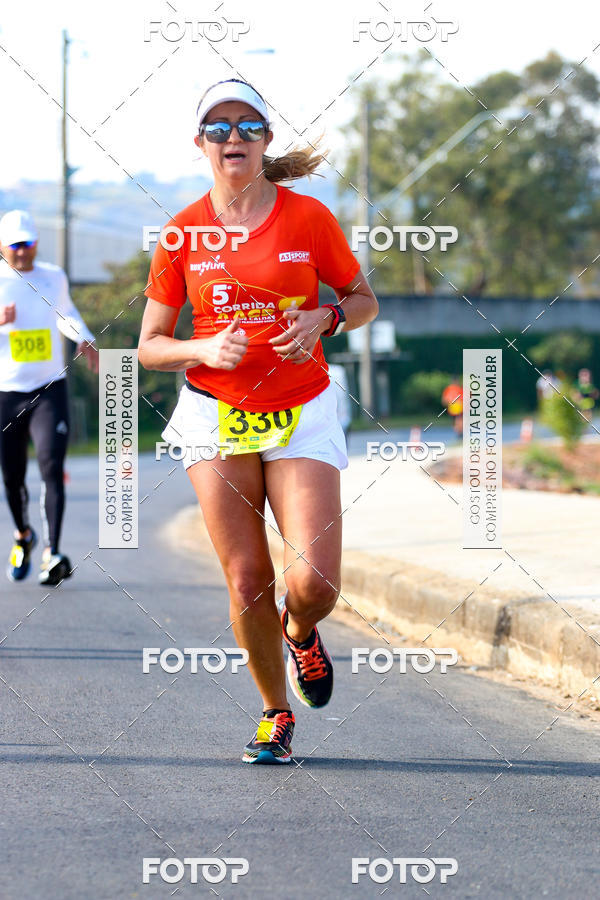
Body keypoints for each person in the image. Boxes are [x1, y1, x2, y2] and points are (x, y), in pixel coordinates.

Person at [138, 79, 378, 764]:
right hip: (215, 415)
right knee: (247, 579)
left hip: (299, 410)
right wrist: (201, 347)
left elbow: (363, 299)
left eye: (247, 126)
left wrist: (325, 315)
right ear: (200, 144)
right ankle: (275, 712)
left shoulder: (308, 220)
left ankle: (300, 631)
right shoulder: (181, 232)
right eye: (218, 128)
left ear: (266, 140)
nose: (233, 137)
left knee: (314, 583)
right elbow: (151, 344)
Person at [0, 210, 98, 585]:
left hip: (47, 389)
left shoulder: (53, 276)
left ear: (37, 242)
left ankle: (51, 552)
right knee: (11, 477)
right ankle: (23, 536)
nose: (23, 252)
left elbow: (65, 312)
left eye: (28, 244)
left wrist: (82, 336)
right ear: (3, 247)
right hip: (5, 393)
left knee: (51, 467)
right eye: (15, 246)